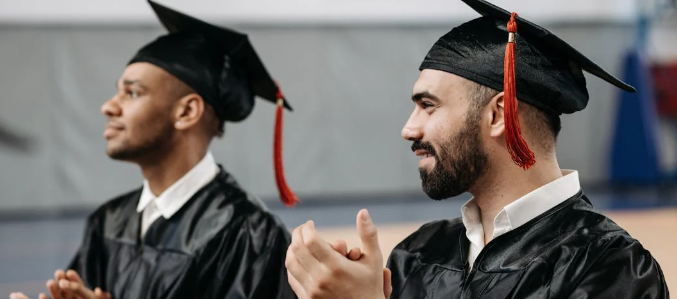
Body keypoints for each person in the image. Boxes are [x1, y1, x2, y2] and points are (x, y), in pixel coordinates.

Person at [283, 0, 670, 298]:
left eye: (427, 105)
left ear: (500, 114)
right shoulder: (419, 253)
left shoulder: (608, 268)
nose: (408, 128)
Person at [9, 1, 298, 299]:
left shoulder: (250, 236)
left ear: (186, 112)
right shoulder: (107, 221)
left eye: (132, 93)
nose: (108, 106)